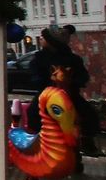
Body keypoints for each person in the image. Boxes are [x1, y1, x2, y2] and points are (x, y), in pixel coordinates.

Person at [30, 25, 99, 157]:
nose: (41, 40)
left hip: (69, 94)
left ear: (51, 41)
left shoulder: (72, 59)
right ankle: (37, 140)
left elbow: (83, 75)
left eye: (43, 38)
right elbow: (35, 75)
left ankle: (86, 140)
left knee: (87, 114)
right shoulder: (39, 58)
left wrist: (75, 82)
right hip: (47, 94)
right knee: (33, 112)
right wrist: (43, 83)